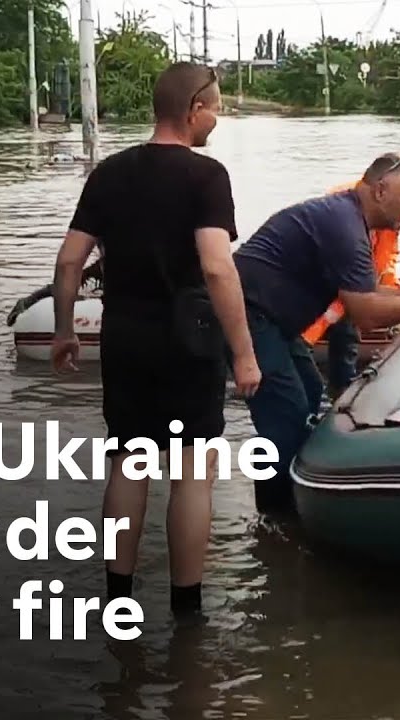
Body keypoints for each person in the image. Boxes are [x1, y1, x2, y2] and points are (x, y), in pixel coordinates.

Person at [49, 62, 261, 618]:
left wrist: (66, 330)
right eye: (215, 106)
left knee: (127, 461)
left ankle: (117, 597)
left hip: (124, 336)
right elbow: (217, 269)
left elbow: (71, 259)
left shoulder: (111, 172)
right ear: (194, 109)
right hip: (188, 340)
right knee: (192, 469)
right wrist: (244, 354)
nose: (217, 117)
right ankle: (186, 610)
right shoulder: (207, 176)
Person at [233, 153, 400, 513]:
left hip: (277, 320)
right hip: (250, 314)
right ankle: (276, 515)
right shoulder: (345, 226)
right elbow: (364, 315)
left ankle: (293, 498)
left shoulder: (354, 221)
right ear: (380, 191)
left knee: (313, 391)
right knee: (286, 413)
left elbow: (371, 293)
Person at [303, 175, 400, 399]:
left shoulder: (387, 219)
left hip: (349, 292)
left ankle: (340, 391)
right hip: (318, 290)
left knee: (346, 334)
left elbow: (384, 263)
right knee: (312, 337)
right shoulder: (339, 217)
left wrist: (393, 304)